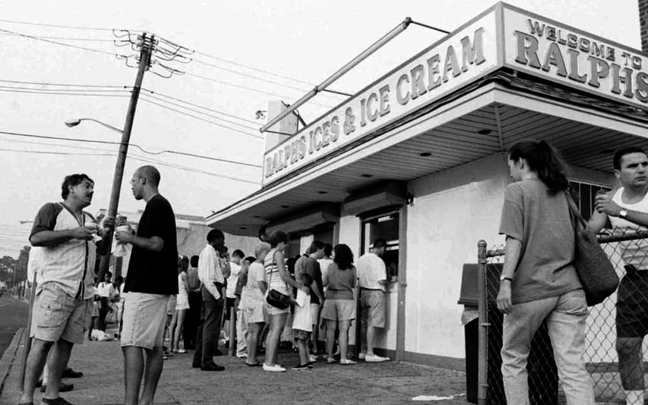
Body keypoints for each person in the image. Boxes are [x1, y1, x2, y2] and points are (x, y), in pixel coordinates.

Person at [496, 140, 594, 405]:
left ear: (520, 162)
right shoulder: (563, 193)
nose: (510, 172)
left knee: (514, 357)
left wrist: (506, 281)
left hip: (530, 289)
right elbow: (584, 233)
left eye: (510, 166)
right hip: (570, 289)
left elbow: (513, 239)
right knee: (573, 367)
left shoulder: (516, 190)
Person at [19, 173, 111, 405]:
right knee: (42, 343)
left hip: (82, 292)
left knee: (66, 344)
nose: (91, 191)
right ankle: (26, 398)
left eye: (93, 187)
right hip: (56, 288)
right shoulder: (52, 209)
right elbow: (37, 237)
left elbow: (102, 252)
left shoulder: (89, 217)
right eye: (86, 186)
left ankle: (51, 395)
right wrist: (73, 233)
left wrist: (106, 234)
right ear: (70, 188)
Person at [589, 146, 648, 405]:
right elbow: (590, 231)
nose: (642, 169)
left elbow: (616, 213)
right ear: (617, 173)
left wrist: (620, 213)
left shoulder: (616, 206)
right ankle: (635, 402)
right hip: (635, 279)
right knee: (626, 345)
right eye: (633, 166)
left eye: (644, 164)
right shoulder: (611, 198)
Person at [115, 165, 178, 405]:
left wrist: (129, 238)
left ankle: (131, 402)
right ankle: (146, 400)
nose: (131, 185)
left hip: (146, 286)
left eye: (133, 181)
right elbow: (153, 242)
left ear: (143, 179)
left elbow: (156, 244)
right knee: (153, 345)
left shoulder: (157, 205)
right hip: (157, 286)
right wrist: (132, 234)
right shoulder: (158, 207)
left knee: (131, 343)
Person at [263, 230, 308, 372]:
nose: (285, 246)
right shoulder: (278, 254)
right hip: (279, 292)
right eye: (284, 243)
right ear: (280, 242)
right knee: (277, 329)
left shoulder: (267, 256)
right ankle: (270, 363)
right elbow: (284, 275)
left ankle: (269, 361)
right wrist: (299, 285)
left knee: (272, 329)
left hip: (270, 293)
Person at [192, 229, 230, 371]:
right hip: (212, 290)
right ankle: (206, 361)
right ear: (215, 239)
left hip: (211, 289)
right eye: (222, 239)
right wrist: (217, 295)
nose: (223, 242)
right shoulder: (208, 253)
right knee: (211, 326)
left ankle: (199, 359)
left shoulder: (211, 253)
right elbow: (208, 278)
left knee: (205, 325)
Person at [321, 244, 357, 365]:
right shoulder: (352, 268)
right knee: (343, 330)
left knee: (330, 329)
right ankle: (343, 357)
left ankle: (330, 356)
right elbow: (353, 284)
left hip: (330, 298)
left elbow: (324, 282)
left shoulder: (330, 267)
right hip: (346, 299)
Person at [356, 238, 390, 362]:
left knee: (364, 323)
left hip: (363, 292)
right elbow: (381, 280)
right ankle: (370, 353)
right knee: (372, 323)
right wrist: (390, 280)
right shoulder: (379, 261)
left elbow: (358, 277)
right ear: (382, 248)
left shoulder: (361, 259)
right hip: (375, 292)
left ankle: (362, 351)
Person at [294, 241, 326, 361]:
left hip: (306, 297)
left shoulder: (305, 261)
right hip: (312, 299)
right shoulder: (312, 262)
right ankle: (312, 351)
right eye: (322, 250)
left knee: (308, 325)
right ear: (318, 249)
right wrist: (320, 296)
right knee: (312, 325)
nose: (324, 252)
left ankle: (309, 351)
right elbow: (312, 281)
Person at [244, 244, 271, 366]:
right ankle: (252, 358)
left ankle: (250, 356)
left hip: (251, 300)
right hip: (258, 301)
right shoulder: (260, 267)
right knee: (256, 331)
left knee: (251, 331)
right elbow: (261, 284)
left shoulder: (253, 266)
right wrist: (268, 296)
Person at [234, 255, 255, 358]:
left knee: (248, 329)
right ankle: (241, 349)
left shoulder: (253, 275)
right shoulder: (243, 276)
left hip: (250, 305)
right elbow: (238, 290)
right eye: (245, 264)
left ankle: (247, 348)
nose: (246, 266)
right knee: (243, 329)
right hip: (244, 305)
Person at [292, 273, 314, 370]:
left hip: (301, 321)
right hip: (307, 321)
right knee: (305, 342)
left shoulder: (301, 291)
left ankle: (303, 362)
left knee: (300, 341)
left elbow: (299, 303)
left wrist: (290, 300)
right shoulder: (308, 292)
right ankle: (307, 360)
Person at [224, 249, 245, 349]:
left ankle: (228, 337)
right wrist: (243, 263)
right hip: (233, 294)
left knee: (229, 317)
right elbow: (244, 271)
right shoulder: (234, 266)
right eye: (240, 258)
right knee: (232, 318)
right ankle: (230, 338)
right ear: (236, 256)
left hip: (229, 293)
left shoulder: (229, 265)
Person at [169, 256, 190, 353]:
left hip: (177, 298)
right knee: (180, 324)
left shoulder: (176, 275)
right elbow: (188, 289)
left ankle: (170, 345)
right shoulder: (184, 274)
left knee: (173, 324)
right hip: (183, 298)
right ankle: (176, 347)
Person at [185, 255, 202, 350]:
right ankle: (195, 341)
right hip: (197, 295)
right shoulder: (199, 272)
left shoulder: (187, 272)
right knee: (196, 319)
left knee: (188, 320)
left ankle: (187, 342)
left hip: (189, 295)